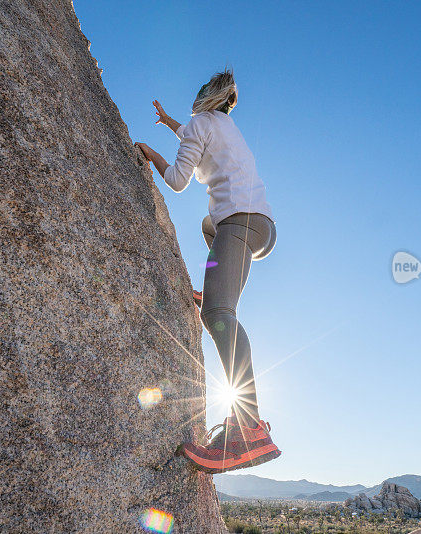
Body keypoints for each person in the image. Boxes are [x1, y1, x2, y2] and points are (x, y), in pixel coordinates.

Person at [135, 69, 281, 473]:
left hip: (239, 221)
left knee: (217, 316)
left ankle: (249, 429)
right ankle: (214, 289)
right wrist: (169, 124)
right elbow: (195, 135)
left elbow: (179, 180)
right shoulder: (223, 124)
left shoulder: (202, 124)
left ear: (202, 99)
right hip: (259, 227)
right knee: (206, 226)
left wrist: (153, 155)